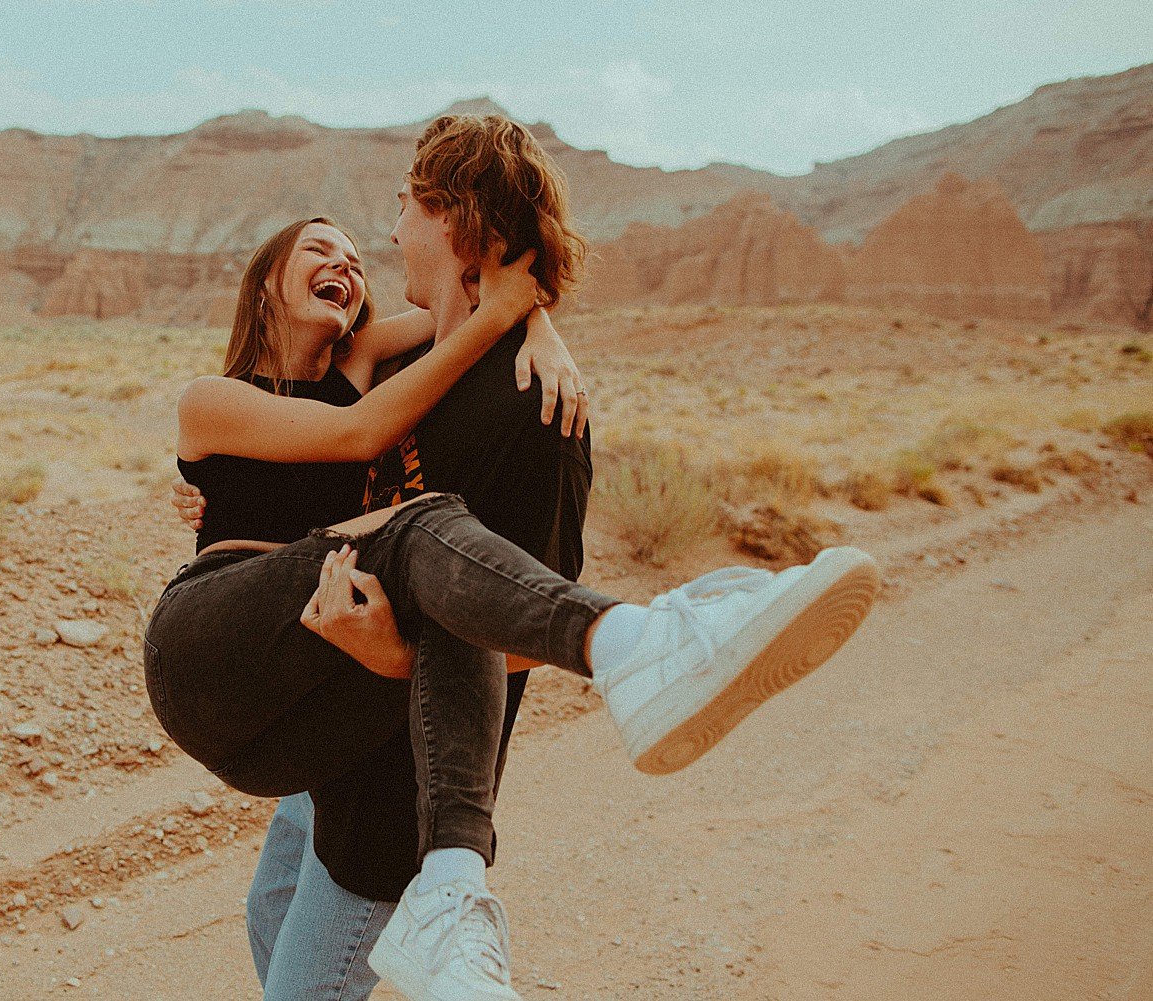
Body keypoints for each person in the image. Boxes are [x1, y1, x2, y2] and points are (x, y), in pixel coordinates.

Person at [151, 116, 880, 1001]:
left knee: (285, 947)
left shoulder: (519, 406)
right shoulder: (354, 386)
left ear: (455, 222)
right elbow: (353, 433)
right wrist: (510, 310)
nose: (379, 241)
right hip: (263, 669)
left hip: (361, 757)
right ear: (264, 281)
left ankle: (625, 665)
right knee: (419, 532)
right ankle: (639, 643)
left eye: (401, 210)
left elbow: (509, 603)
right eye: (323, 245)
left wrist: (531, 320)